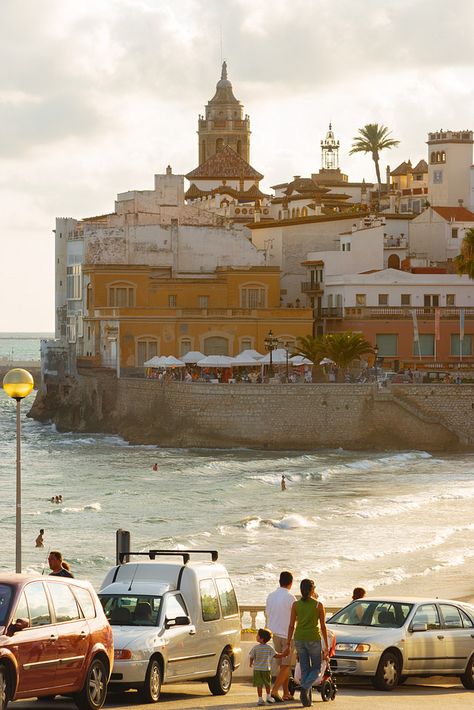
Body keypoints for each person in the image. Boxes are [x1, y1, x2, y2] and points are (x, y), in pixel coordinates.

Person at [286, 579, 329, 707]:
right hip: (313, 638)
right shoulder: (318, 605)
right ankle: (304, 688)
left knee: (304, 669)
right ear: (312, 590)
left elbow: (291, 626)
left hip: (299, 638)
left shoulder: (295, 605)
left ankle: (306, 700)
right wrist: (326, 645)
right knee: (316, 668)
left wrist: (288, 642)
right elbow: (323, 627)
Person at [266, 571, 296, 702]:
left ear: (279, 581)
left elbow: (267, 613)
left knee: (282, 666)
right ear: (291, 583)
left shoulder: (270, 596)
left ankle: (286, 693)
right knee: (286, 666)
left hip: (274, 634)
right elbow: (295, 617)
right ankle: (274, 691)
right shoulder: (291, 598)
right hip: (287, 635)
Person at [249, 628, 287, 706]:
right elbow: (276, 655)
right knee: (267, 684)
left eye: (257, 636)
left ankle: (260, 699)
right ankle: (268, 696)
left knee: (259, 684)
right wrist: (284, 654)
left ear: (261, 639)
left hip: (257, 669)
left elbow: (251, 657)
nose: (256, 637)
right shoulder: (269, 647)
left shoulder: (255, 648)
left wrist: (251, 663)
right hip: (266, 669)